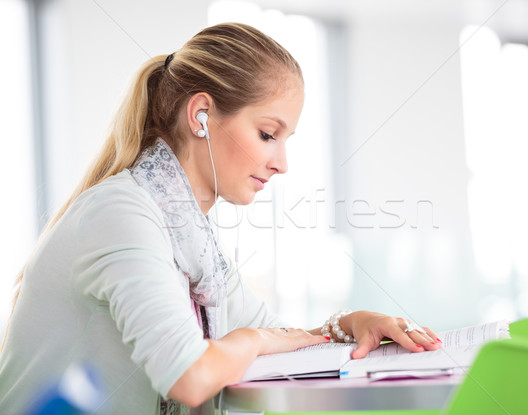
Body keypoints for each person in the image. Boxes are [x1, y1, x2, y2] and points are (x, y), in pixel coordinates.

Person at [0, 23, 441, 414]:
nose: (281, 163)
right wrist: (254, 340)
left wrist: (348, 325)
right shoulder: (122, 214)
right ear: (201, 116)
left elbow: (273, 336)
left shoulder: (193, 239)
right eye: (268, 134)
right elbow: (190, 376)